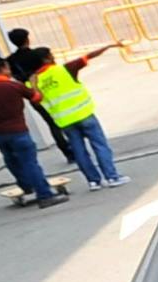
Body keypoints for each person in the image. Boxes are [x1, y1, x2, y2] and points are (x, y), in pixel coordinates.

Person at [17, 43, 121, 187]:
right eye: (50, 55)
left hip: (64, 121)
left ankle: (93, 181)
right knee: (100, 145)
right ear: (46, 59)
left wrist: (33, 83)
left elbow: (36, 100)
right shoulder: (65, 69)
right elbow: (88, 56)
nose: (53, 57)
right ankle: (112, 177)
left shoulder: (32, 82)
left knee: (79, 152)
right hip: (84, 114)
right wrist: (109, 46)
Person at [0, 60, 64, 206]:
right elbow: (37, 98)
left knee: (10, 159)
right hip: (18, 131)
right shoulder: (14, 86)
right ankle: (45, 196)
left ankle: (27, 186)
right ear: (2, 68)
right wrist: (34, 85)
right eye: (8, 68)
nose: (10, 71)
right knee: (30, 163)